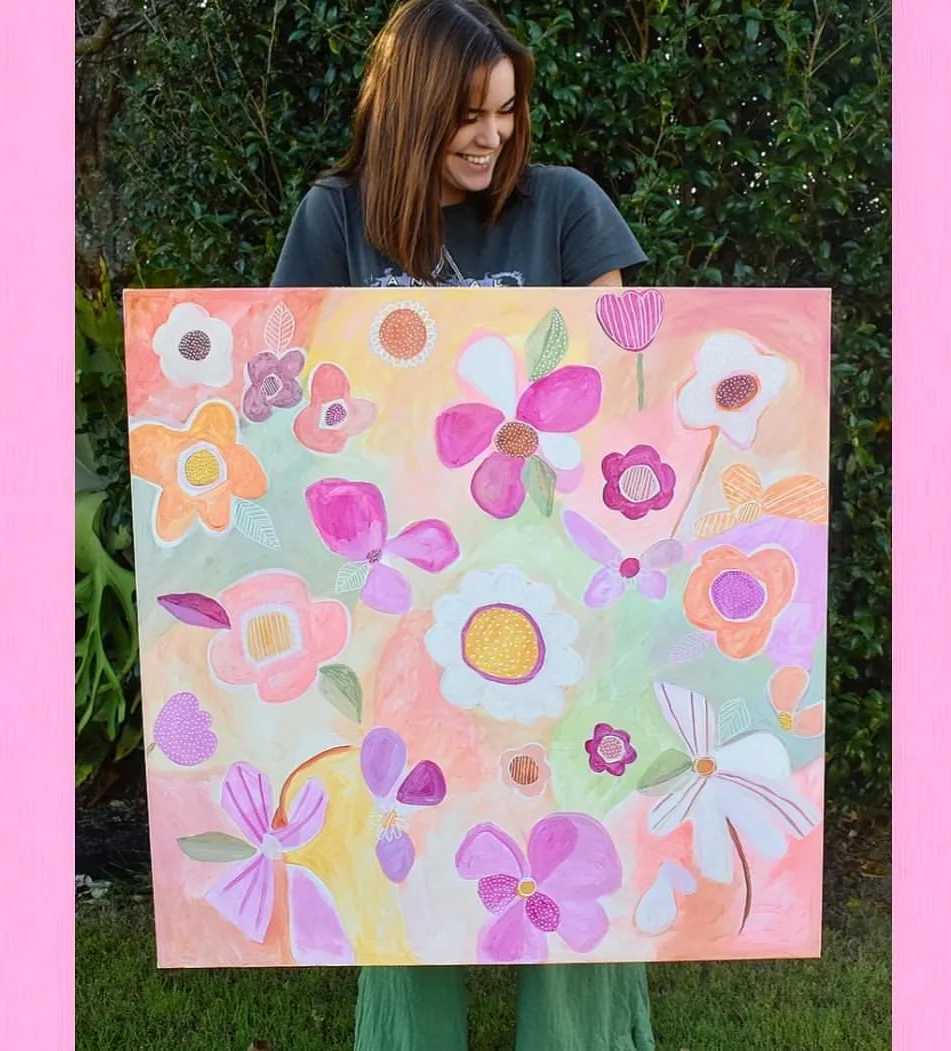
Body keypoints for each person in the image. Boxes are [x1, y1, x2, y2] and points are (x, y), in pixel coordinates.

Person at [273, 2, 655, 1049]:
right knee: (404, 848)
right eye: (464, 116)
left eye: (506, 109)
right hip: (396, 596)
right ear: (408, 112)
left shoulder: (565, 208)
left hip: (553, 588)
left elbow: (613, 398)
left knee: (572, 837)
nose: (493, 136)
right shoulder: (336, 220)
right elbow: (285, 409)